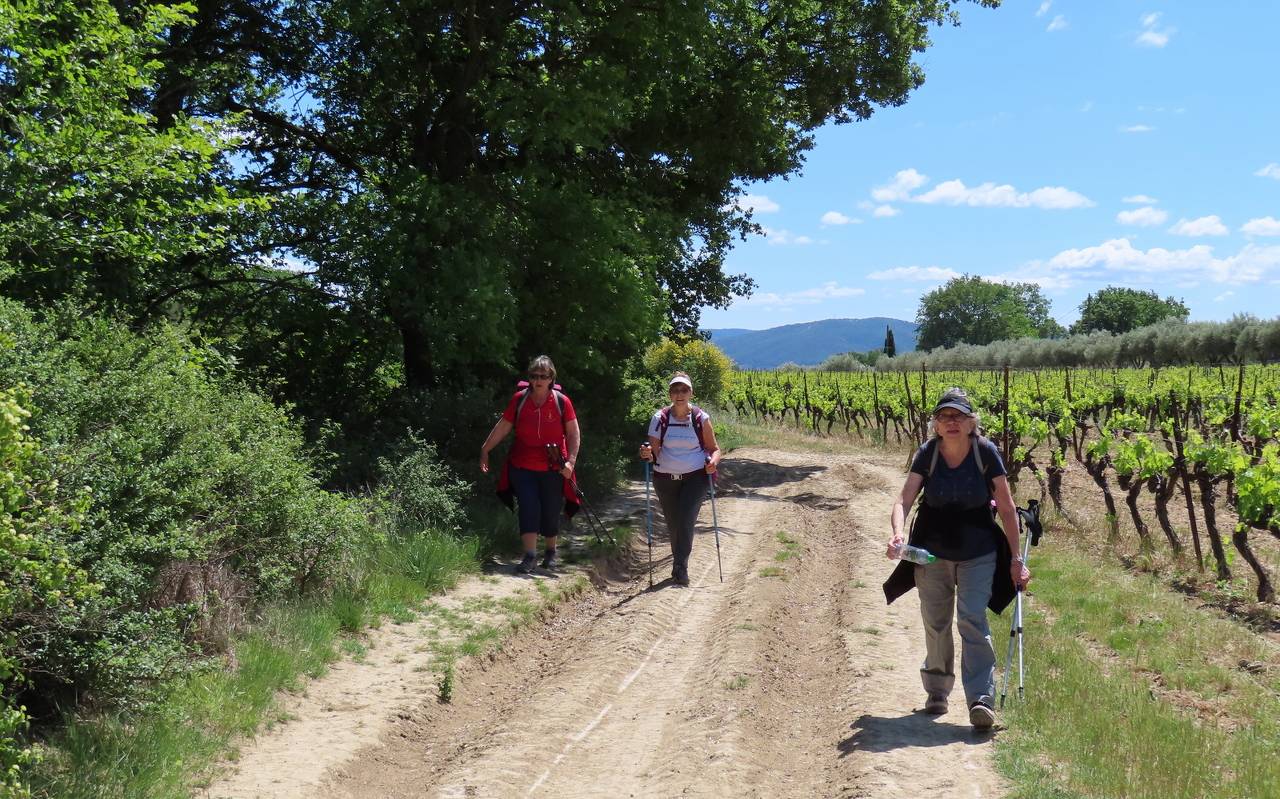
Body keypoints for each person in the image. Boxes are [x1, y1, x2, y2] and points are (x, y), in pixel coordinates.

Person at [882, 387, 1031, 730]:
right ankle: (937, 691)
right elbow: (904, 500)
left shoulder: (985, 452)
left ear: (970, 422)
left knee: (971, 621)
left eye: (958, 416)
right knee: (936, 623)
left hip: (978, 551)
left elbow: (1007, 508)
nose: (951, 422)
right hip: (931, 554)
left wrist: (1014, 559)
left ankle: (981, 699)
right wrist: (898, 533)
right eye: (944, 416)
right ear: (935, 424)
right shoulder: (928, 453)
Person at [480, 355, 581, 574]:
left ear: (551, 378)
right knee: (528, 507)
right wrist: (485, 449)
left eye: (542, 376)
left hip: (554, 467)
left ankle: (551, 552)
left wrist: (570, 463)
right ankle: (530, 556)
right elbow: (504, 426)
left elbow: (573, 433)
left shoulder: (562, 402)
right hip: (522, 465)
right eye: (533, 376)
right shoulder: (519, 399)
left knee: (551, 509)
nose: (537, 380)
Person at [638, 372, 722, 586]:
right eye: (675, 390)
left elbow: (714, 449)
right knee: (674, 523)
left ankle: (680, 567)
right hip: (665, 478)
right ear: (670, 394)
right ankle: (679, 563)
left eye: (684, 390)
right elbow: (653, 452)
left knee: (685, 520)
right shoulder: (660, 418)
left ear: (691, 392)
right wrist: (647, 454)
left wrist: (713, 462)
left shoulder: (701, 418)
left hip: (695, 477)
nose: (679, 394)